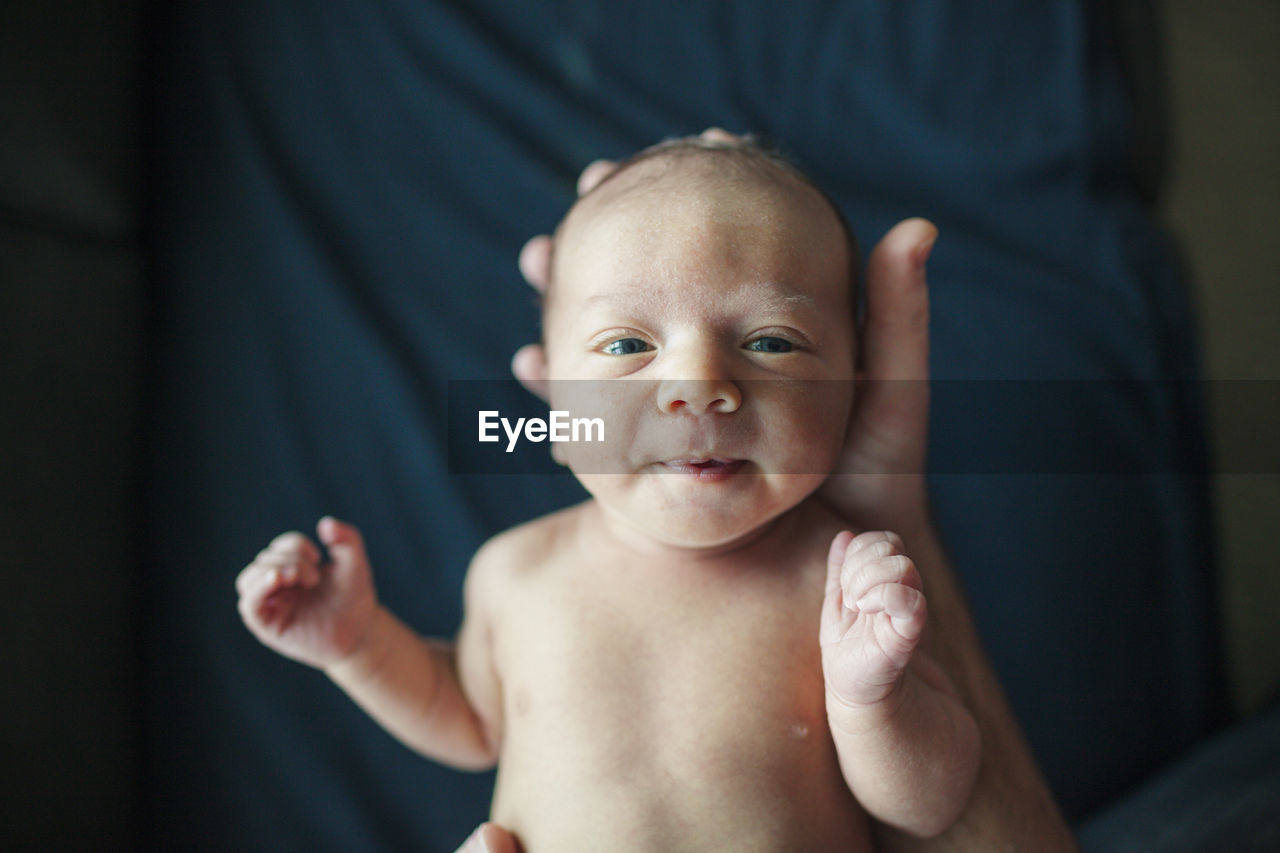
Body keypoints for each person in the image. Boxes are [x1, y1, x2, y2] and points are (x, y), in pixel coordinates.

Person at [237, 135, 994, 851]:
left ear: (852, 392)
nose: (697, 388)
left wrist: (874, 701)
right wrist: (357, 645)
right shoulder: (516, 572)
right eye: (628, 346)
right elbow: (463, 715)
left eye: (769, 341)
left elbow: (931, 802)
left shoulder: (845, 586)